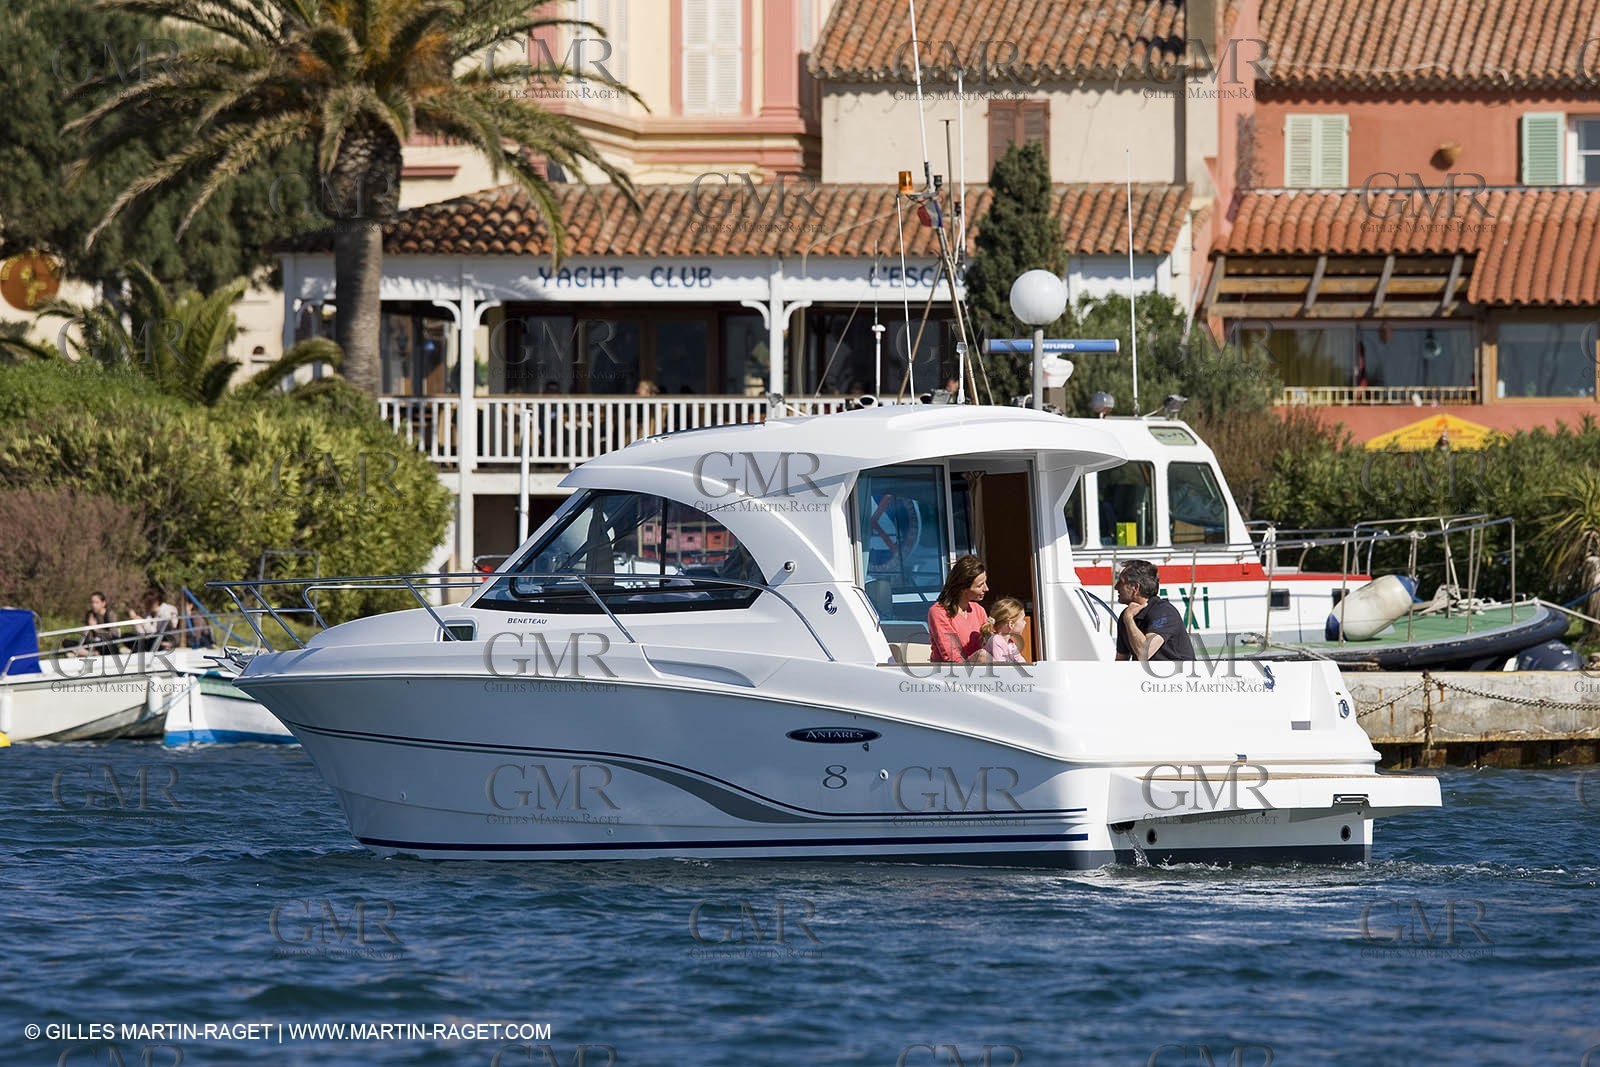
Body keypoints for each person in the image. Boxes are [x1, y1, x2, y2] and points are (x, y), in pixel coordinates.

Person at [1113, 559, 1195, 662]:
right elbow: (1120, 662)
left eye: (1121, 583)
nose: (1116, 587)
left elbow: (1144, 653)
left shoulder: (1164, 612)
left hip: (1179, 676)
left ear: (1135, 588)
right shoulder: (1126, 616)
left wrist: (1129, 620)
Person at [927, 555, 992, 663]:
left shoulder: (979, 610)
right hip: (950, 674)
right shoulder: (938, 613)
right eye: (980, 585)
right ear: (963, 588)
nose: (986, 589)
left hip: (980, 674)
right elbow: (953, 656)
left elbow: (989, 647)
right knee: (982, 655)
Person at [71, 591, 120, 656]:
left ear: (103, 603)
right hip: (92, 644)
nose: (94, 605)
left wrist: (96, 629)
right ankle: (92, 653)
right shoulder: (89, 614)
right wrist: (88, 628)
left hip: (105, 643)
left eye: (97, 603)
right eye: (92, 602)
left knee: (109, 647)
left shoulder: (110, 615)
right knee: (67, 643)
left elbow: (114, 635)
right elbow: (87, 636)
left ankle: (88, 653)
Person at [980, 596, 1028, 663]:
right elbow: (1001, 669)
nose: (1025, 623)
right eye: (1022, 620)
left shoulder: (1010, 643)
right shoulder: (996, 640)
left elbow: (1022, 663)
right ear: (1011, 624)